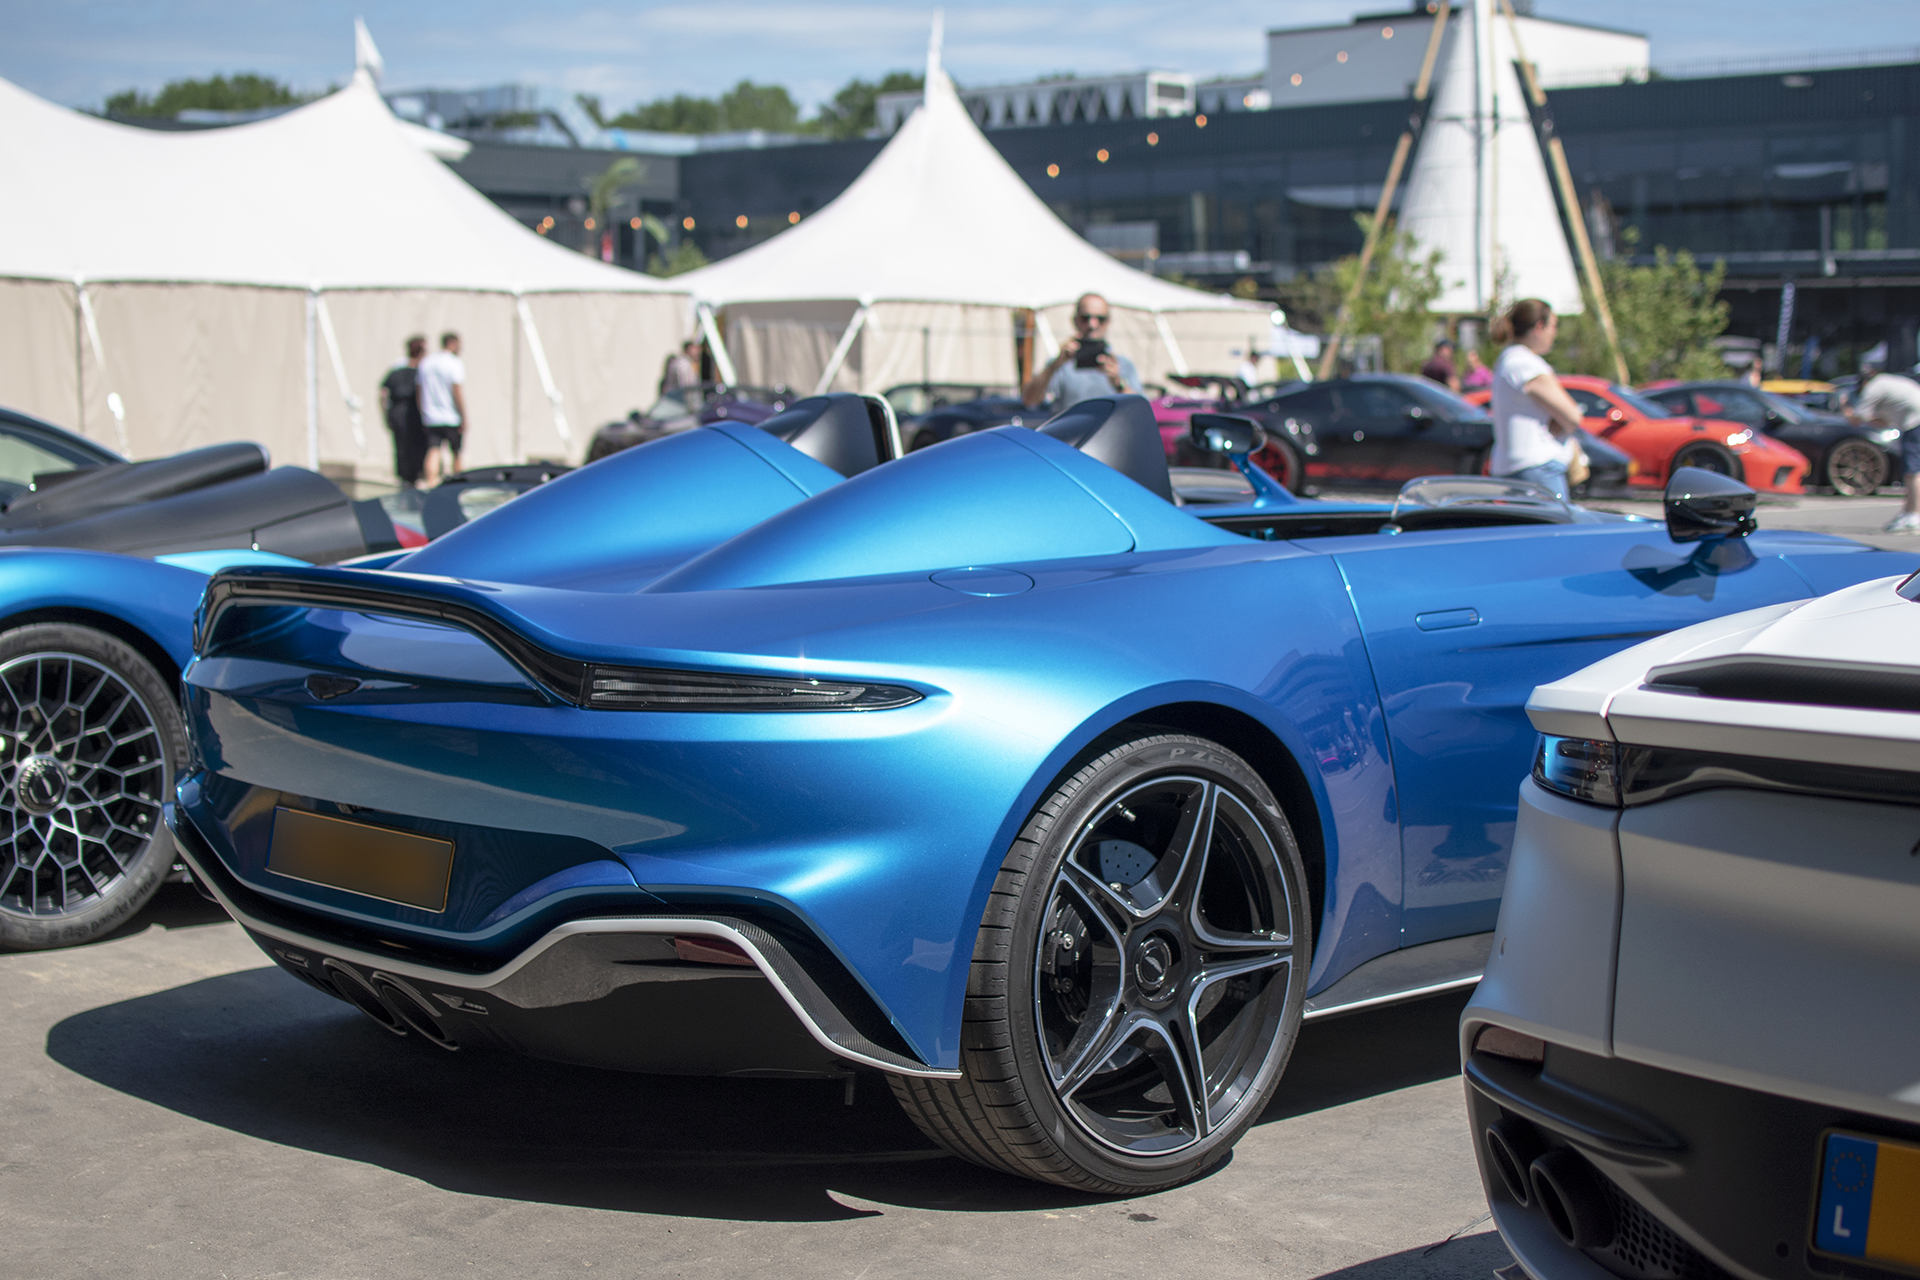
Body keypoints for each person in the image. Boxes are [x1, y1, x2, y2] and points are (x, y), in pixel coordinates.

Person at [1488, 299, 1585, 499]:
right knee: (1555, 529)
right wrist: (1561, 420)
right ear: (1539, 327)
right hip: (1538, 467)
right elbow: (1573, 416)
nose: (1554, 333)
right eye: (1553, 326)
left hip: (1514, 465)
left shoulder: (1507, 360)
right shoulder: (1527, 364)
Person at [1021, 293, 1142, 410]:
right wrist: (1055, 366)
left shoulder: (1122, 365)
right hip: (1070, 430)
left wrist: (1117, 382)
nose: (1092, 324)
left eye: (1100, 319)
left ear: (1108, 322)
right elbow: (1029, 400)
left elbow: (1140, 409)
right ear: (1075, 320)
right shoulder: (1061, 363)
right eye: (1085, 318)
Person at [1846, 354, 1920, 532]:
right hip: (1913, 420)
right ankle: (1909, 511)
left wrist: (1846, 411)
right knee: (1913, 471)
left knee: (1913, 471)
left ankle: (1914, 514)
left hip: (1915, 422)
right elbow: (1881, 421)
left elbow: (1859, 418)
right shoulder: (1888, 381)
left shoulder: (1873, 387)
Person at [378, 335, 428, 489]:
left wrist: (386, 414)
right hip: (413, 411)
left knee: (401, 447)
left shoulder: (396, 371)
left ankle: (404, 479)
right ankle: (413, 478)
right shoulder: (421, 372)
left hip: (397, 411)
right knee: (417, 446)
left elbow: (383, 394)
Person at [417, 331, 466, 483]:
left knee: (433, 450)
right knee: (456, 453)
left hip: (431, 416)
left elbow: (419, 391)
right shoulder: (453, 363)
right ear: (452, 343)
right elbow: (456, 390)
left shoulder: (427, 362)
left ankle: (431, 482)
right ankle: (458, 483)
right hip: (451, 416)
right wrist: (463, 415)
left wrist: (422, 412)